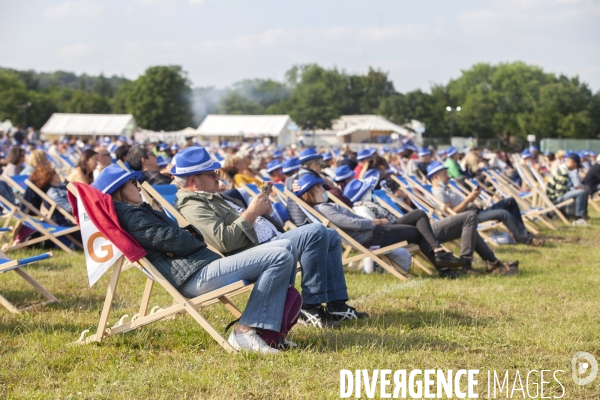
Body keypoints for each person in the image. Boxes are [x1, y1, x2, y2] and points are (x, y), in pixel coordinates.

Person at [91, 165, 297, 354]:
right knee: (278, 256)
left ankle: (271, 333)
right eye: (133, 184)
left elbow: (182, 238)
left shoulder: (138, 213)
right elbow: (179, 240)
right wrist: (186, 239)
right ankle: (245, 332)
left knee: (286, 246)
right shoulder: (133, 217)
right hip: (194, 276)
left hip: (200, 266)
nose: (138, 188)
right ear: (119, 192)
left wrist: (184, 239)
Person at [172, 147, 368, 328]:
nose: (218, 177)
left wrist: (263, 212)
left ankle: (336, 304)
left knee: (331, 235)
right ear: (193, 181)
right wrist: (252, 212)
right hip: (251, 253)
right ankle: (311, 306)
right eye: (212, 173)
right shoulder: (192, 205)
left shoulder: (211, 196)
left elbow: (245, 222)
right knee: (315, 231)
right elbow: (225, 241)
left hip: (269, 242)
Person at [301, 175, 465, 277]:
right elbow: (352, 223)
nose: (324, 188)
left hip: (377, 232)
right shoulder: (323, 208)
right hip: (374, 235)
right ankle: (443, 267)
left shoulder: (325, 206)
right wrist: (378, 221)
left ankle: (438, 252)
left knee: (419, 214)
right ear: (315, 189)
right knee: (416, 232)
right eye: (320, 186)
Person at [427, 161, 544, 247]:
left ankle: (519, 234)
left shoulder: (446, 188)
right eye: (444, 174)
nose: (448, 176)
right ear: (435, 177)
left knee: (510, 202)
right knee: (503, 214)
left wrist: (473, 198)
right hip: (468, 218)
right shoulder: (438, 193)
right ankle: (527, 239)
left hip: (475, 210)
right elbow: (453, 214)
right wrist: (469, 198)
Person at [546, 153, 589, 226]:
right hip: (555, 199)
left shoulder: (561, 168)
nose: (576, 168)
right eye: (576, 165)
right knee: (581, 193)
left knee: (580, 192)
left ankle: (582, 215)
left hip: (553, 197)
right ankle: (578, 217)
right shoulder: (563, 172)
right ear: (572, 162)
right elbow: (559, 193)